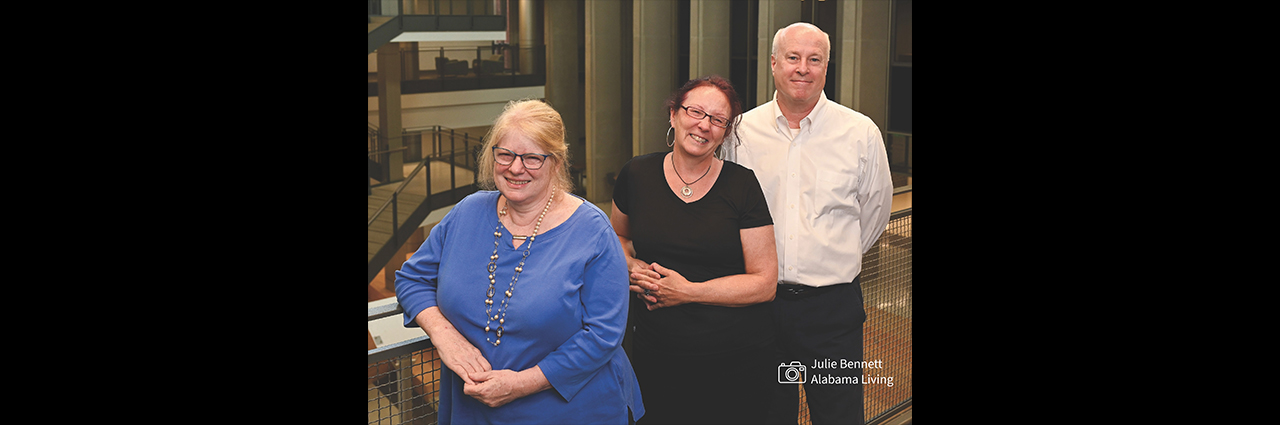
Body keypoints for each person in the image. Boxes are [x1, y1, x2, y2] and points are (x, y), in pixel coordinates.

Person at [395, 99, 644, 424]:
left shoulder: (592, 231)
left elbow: (603, 334)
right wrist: (446, 338)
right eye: (506, 155)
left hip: (571, 410)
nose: (515, 168)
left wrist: (520, 384)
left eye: (531, 158)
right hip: (475, 408)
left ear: (556, 162)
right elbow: (412, 279)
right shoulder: (467, 212)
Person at [725, 22, 894, 425]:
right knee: (765, 414)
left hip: (833, 314)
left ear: (826, 66)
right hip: (758, 309)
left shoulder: (860, 133)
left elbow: (875, 211)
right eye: (793, 57)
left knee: (839, 415)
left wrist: (833, 258)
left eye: (814, 59)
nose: (803, 68)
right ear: (773, 63)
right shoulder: (740, 133)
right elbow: (728, 212)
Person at [610, 75, 778, 424]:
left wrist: (687, 292)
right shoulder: (636, 174)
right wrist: (630, 265)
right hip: (656, 353)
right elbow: (618, 239)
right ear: (673, 114)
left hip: (735, 358)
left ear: (726, 131)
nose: (704, 125)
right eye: (695, 112)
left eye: (718, 120)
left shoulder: (742, 184)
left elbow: (764, 282)